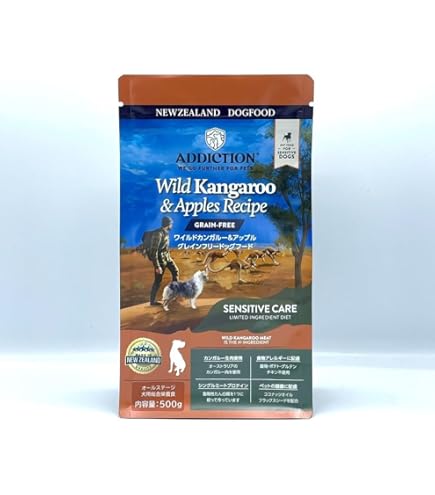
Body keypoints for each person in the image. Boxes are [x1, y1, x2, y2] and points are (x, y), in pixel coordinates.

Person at [146, 216, 179, 306]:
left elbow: (164, 248)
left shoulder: (166, 233)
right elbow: (154, 250)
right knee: (158, 280)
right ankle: (152, 301)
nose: (172, 225)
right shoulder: (158, 234)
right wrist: (157, 266)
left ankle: (174, 294)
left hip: (167, 258)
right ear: (168, 224)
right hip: (160, 261)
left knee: (175, 271)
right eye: (171, 224)